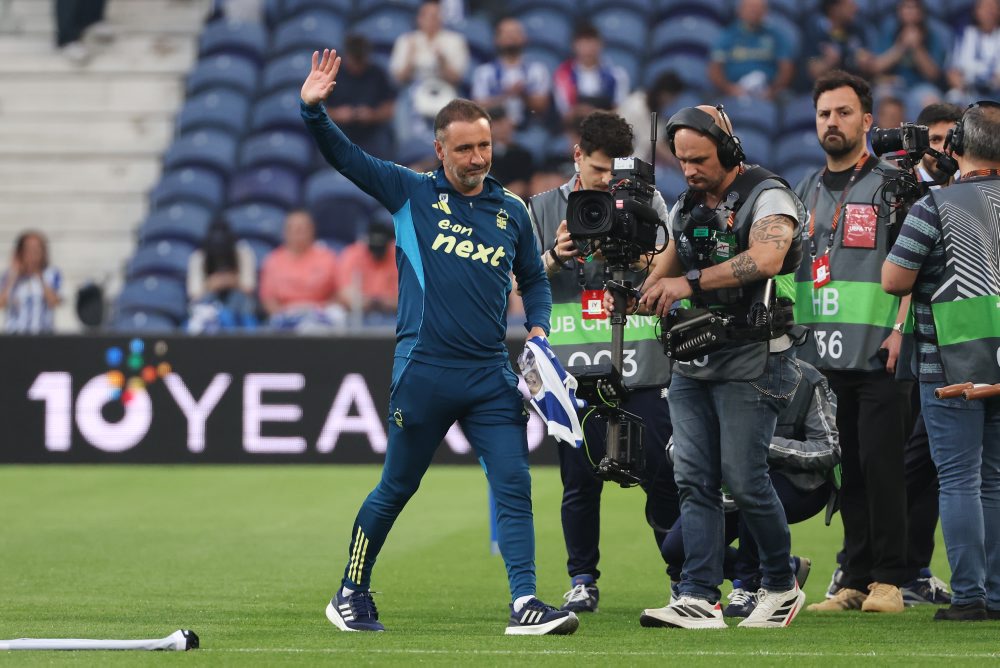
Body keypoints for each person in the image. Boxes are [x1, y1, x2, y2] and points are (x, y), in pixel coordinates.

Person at [300, 48, 575, 635]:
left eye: (485, 146)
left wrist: (541, 327)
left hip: (487, 374)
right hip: (423, 370)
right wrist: (315, 113)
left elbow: (533, 278)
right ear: (440, 150)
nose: (478, 157)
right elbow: (345, 158)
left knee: (514, 482)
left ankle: (525, 602)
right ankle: (350, 590)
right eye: (465, 148)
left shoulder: (512, 211)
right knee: (397, 486)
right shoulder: (409, 193)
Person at [615, 104, 806, 629]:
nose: (691, 170)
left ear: (728, 149)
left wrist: (687, 284)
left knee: (744, 482)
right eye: (682, 161)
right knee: (694, 481)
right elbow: (662, 272)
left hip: (757, 357)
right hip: (694, 360)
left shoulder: (768, 195)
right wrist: (639, 290)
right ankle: (699, 595)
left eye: (699, 159)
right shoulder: (686, 207)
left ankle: (779, 585)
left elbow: (767, 259)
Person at [527, 110, 678, 614]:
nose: (608, 186)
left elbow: (677, 269)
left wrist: (643, 262)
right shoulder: (543, 208)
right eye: (597, 173)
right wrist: (552, 257)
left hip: (642, 358)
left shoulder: (649, 199)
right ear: (577, 157)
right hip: (574, 367)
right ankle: (582, 578)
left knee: (661, 472)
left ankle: (681, 578)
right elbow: (508, 282)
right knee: (580, 479)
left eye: (614, 175)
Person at [792, 71, 917, 614]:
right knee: (849, 470)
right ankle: (855, 576)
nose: (832, 123)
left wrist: (901, 330)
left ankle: (892, 580)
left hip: (879, 352)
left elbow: (920, 264)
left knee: (884, 466)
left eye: (843, 113)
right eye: (824, 114)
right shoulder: (804, 190)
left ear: (867, 121)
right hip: (823, 359)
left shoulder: (893, 186)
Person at [882, 100, 1000, 622]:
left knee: (958, 480)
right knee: (995, 481)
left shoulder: (936, 206)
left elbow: (894, 280)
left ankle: (970, 596)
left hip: (948, 362)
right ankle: (996, 595)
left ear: (955, 148)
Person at [660, 359, 839, 617]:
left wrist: (757, 446)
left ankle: (751, 585)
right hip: (726, 486)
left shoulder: (808, 378)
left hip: (798, 483)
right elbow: (674, 447)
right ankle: (781, 567)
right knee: (674, 548)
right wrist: (710, 453)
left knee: (752, 489)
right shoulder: (705, 375)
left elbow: (828, 449)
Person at [389, 0, 469, 137]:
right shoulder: (407, 40)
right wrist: (410, 57)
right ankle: (408, 148)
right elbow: (398, 78)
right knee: (401, 105)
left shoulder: (455, 40)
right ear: (419, 18)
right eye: (430, 16)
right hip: (413, 88)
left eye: (437, 15)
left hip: (445, 87)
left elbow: (457, 78)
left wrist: (442, 62)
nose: (434, 19)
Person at [258, 209, 346, 332]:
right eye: (294, 229)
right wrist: (285, 314)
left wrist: (320, 309)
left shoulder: (327, 257)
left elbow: (339, 293)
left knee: (336, 315)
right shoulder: (273, 260)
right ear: (285, 232)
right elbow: (268, 299)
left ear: (312, 231)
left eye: (302, 229)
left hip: (320, 315)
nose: (298, 234)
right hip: (286, 316)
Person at [470, 16, 551, 129]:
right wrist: (507, 95)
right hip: (494, 129)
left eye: (515, 33)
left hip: (529, 129)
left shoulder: (537, 70)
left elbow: (542, 106)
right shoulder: (484, 72)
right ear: (496, 39)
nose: (511, 37)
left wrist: (523, 94)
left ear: (524, 38)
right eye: (506, 33)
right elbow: (477, 108)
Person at [325, 34, 396, 160]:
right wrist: (337, 114)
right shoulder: (333, 75)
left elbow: (390, 108)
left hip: (372, 132)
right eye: (355, 61)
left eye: (361, 61)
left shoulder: (377, 74)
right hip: (339, 130)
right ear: (347, 56)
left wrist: (373, 115)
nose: (357, 66)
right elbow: (317, 109)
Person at [708, 0, 795, 100]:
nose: (754, 12)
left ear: (765, 12)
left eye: (758, 8)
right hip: (732, 90)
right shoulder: (727, 36)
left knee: (787, 98)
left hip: (768, 91)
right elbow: (714, 69)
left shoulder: (776, 36)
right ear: (740, 11)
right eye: (750, 8)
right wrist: (729, 89)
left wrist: (773, 90)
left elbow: (786, 68)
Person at [186, 218, 258, 334]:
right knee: (205, 304)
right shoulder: (198, 257)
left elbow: (249, 287)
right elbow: (194, 295)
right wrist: (211, 284)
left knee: (240, 299)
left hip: (238, 303)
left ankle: (244, 334)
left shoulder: (243, 252)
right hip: (209, 301)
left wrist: (232, 281)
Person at [551, 22, 629, 124]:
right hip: (576, 129)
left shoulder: (617, 75)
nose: (587, 48)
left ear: (601, 44)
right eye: (583, 43)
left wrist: (594, 113)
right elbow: (565, 113)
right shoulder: (563, 75)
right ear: (574, 45)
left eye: (591, 42)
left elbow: (620, 111)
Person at [337, 219, 399, 326]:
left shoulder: (400, 255)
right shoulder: (353, 254)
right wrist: (365, 302)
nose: (376, 253)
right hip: (360, 313)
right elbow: (345, 294)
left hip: (394, 315)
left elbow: (410, 299)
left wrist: (384, 302)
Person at [0, 230, 62, 333]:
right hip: (14, 335)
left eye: (37, 250)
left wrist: (40, 277)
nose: (33, 254)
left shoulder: (52, 274)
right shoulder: (9, 275)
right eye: (28, 250)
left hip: (43, 335)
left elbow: (55, 302)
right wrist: (13, 276)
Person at [802, 0, 872, 86]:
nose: (855, 8)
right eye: (849, 5)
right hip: (820, 91)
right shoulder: (815, 30)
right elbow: (813, 72)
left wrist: (866, 61)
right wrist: (828, 62)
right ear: (834, 9)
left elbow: (871, 64)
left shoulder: (856, 29)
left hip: (854, 87)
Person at [946, 0, 1000, 106]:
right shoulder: (963, 35)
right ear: (976, 11)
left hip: (997, 93)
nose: (989, 12)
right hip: (968, 92)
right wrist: (962, 85)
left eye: (993, 7)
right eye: (984, 8)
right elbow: (951, 71)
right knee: (953, 100)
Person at [915, 102, 964, 185]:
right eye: (935, 140)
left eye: (952, 139)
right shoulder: (904, 187)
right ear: (918, 143)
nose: (944, 149)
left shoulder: (973, 183)